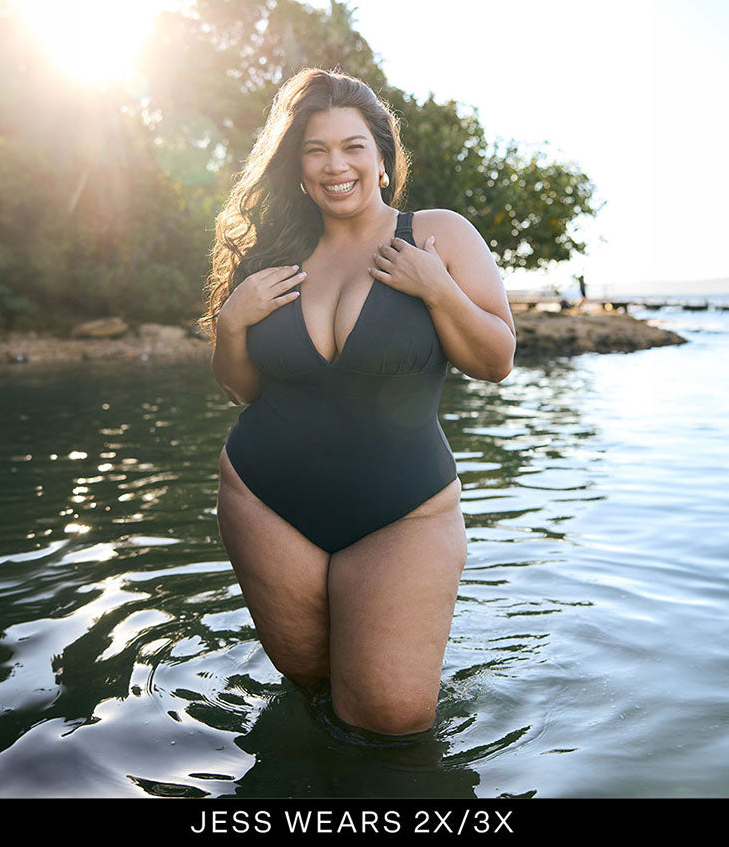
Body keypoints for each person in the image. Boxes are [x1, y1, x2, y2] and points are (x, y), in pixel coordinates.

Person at [203, 67, 516, 736]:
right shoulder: (273, 256)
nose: (334, 165)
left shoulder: (438, 235)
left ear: (381, 157)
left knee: (391, 722)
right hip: (266, 505)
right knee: (312, 694)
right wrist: (232, 323)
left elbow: (496, 361)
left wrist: (437, 288)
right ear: (297, 165)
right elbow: (241, 388)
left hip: (402, 513)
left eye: (352, 147)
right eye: (315, 150)